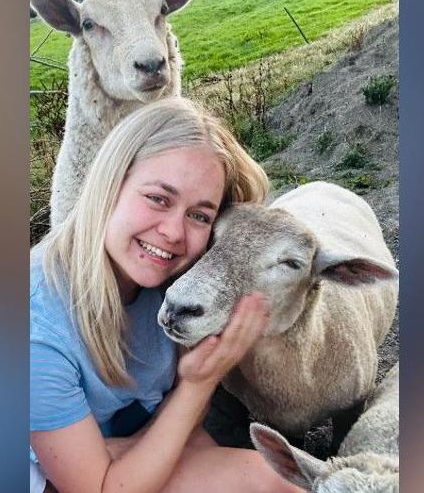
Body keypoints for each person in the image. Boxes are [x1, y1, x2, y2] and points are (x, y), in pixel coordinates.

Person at [30, 97, 304, 493]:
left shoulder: (171, 285)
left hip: (125, 451)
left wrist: (129, 446)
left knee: (274, 483)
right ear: (110, 184)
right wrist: (200, 381)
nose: (174, 233)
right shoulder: (37, 330)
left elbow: (183, 424)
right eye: (158, 198)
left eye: (200, 215)